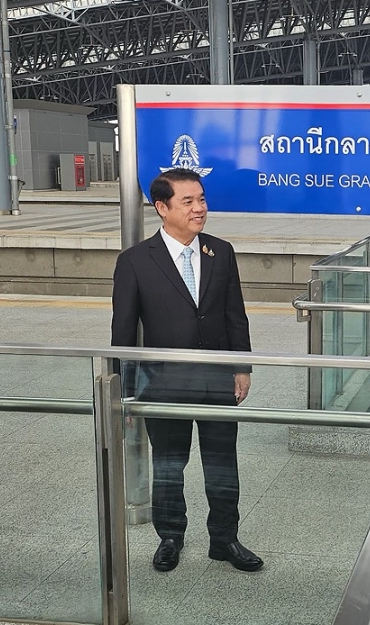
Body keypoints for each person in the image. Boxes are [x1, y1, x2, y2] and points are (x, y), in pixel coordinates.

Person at [111, 168, 263, 573]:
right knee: (168, 464)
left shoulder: (221, 252)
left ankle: (225, 539)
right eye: (188, 201)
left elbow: (235, 316)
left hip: (216, 378)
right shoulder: (135, 261)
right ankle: (170, 537)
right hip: (163, 383)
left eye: (202, 199)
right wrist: (125, 391)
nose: (199, 209)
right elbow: (122, 332)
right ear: (162, 208)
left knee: (222, 463)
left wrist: (241, 367)